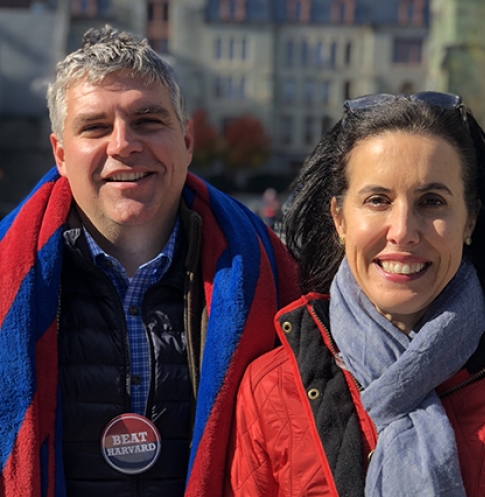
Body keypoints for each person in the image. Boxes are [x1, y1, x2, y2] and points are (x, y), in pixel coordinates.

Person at [0, 26, 299, 497]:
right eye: (95, 127)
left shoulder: (276, 280)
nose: (123, 144)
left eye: (148, 120)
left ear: (187, 140)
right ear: (60, 154)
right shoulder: (8, 282)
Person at [226, 92, 485, 497]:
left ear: (469, 220)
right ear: (340, 218)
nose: (402, 230)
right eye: (378, 200)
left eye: (432, 201)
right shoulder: (272, 388)